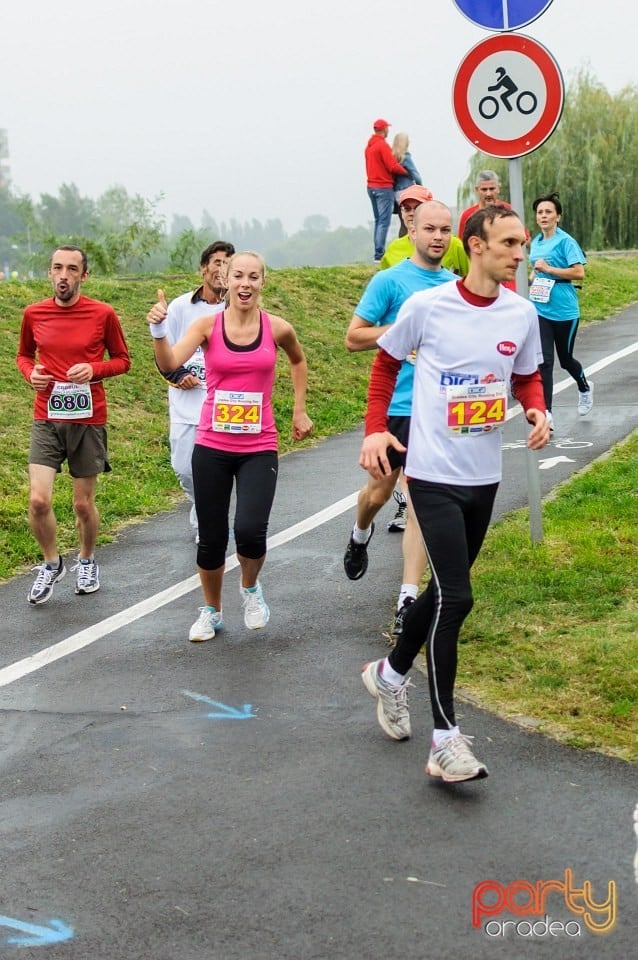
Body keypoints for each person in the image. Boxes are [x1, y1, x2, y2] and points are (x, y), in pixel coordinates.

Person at [359, 206, 550, 783]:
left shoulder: (520, 313)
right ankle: (446, 739)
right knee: (458, 598)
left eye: (522, 243)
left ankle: (390, 674)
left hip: (483, 475)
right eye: (510, 242)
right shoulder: (426, 306)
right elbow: (384, 366)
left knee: (443, 593)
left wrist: (536, 407)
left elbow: (524, 376)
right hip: (433, 473)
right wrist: (374, 427)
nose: (521, 252)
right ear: (478, 246)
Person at [148, 251, 313, 642]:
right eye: (238, 275)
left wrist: (299, 410)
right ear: (226, 277)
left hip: (259, 446)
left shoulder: (278, 328)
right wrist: (158, 331)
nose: (245, 283)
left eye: (253, 277)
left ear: (262, 282)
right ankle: (211, 610)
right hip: (211, 445)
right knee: (212, 537)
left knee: (251, 531)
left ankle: (251, 589)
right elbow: (170, 362)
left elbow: (298, 360)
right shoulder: (207, 326)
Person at [343, 201, 457, 635]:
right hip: (395, 409)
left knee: (420, 505)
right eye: (430, 228)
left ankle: (407, 597)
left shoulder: (454, 286)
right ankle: (360, 533)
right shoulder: (388, 282)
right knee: (377, 494)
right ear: (413, 231)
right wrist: (401, 333)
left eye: (445, 230)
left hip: (435, 412)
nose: (438, 237)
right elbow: (353, 337)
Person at [16, 245, 131, 604]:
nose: (63, 275)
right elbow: (23, 356)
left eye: (71, 269)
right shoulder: (34, 314)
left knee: (83, 505)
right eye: (56, 268)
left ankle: (87, 559)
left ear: (84, 275)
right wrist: (29, 374)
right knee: (38, 500)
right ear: (49, 274)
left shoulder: (103, 314)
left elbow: (123, 360)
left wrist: (94, 370)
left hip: (88, 418)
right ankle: (52, 564)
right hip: (46, 416)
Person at [148, 241, 235, 539]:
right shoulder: (180, 307)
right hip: (186, 408)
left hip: (224, 408)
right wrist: (180, 373)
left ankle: (209, 522)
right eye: (217, 262)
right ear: (203, 268)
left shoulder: (237, 308)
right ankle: (205, 508)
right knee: (185, 470)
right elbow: (164, 355)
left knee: (218, 472)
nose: (222, 270)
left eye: (228, 264)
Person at [529, 192, 591, 429]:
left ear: (558, 217)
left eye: (548, 212)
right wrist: (532, 278)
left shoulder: (566, 241)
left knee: (565, 361)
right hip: (541, 309)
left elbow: (578, 272)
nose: (544, 216)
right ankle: (547, 413)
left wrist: (551, 269)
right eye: (540, 212)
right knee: (544, 361)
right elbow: (537, 269)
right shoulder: (536, 242)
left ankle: (584, 387)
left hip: (565, 311)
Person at [381, 185, 470, 276]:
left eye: (418, 207)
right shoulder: (393, 249)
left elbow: (472, 283)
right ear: (402, 212)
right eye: (407, 209)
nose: (412, 213)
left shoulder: (454, 245)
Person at [364, 118, 408, 262]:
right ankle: (379, 255)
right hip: (383, 187)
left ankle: (377, 253)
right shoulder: (382, 146)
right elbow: (391, 166)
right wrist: (407, 172)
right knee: (384, 221)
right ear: (384, 130)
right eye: (387, 128)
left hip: (371, 187)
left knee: (378, 221)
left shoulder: (369, 147)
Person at [391, 133, 422, 237]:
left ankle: (402, 241)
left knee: (403, 221)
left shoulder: (393, 158)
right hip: (407, 191)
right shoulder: (406, 157)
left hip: (397, 193)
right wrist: (421, 188)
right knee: (414, 220)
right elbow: (416, 175)